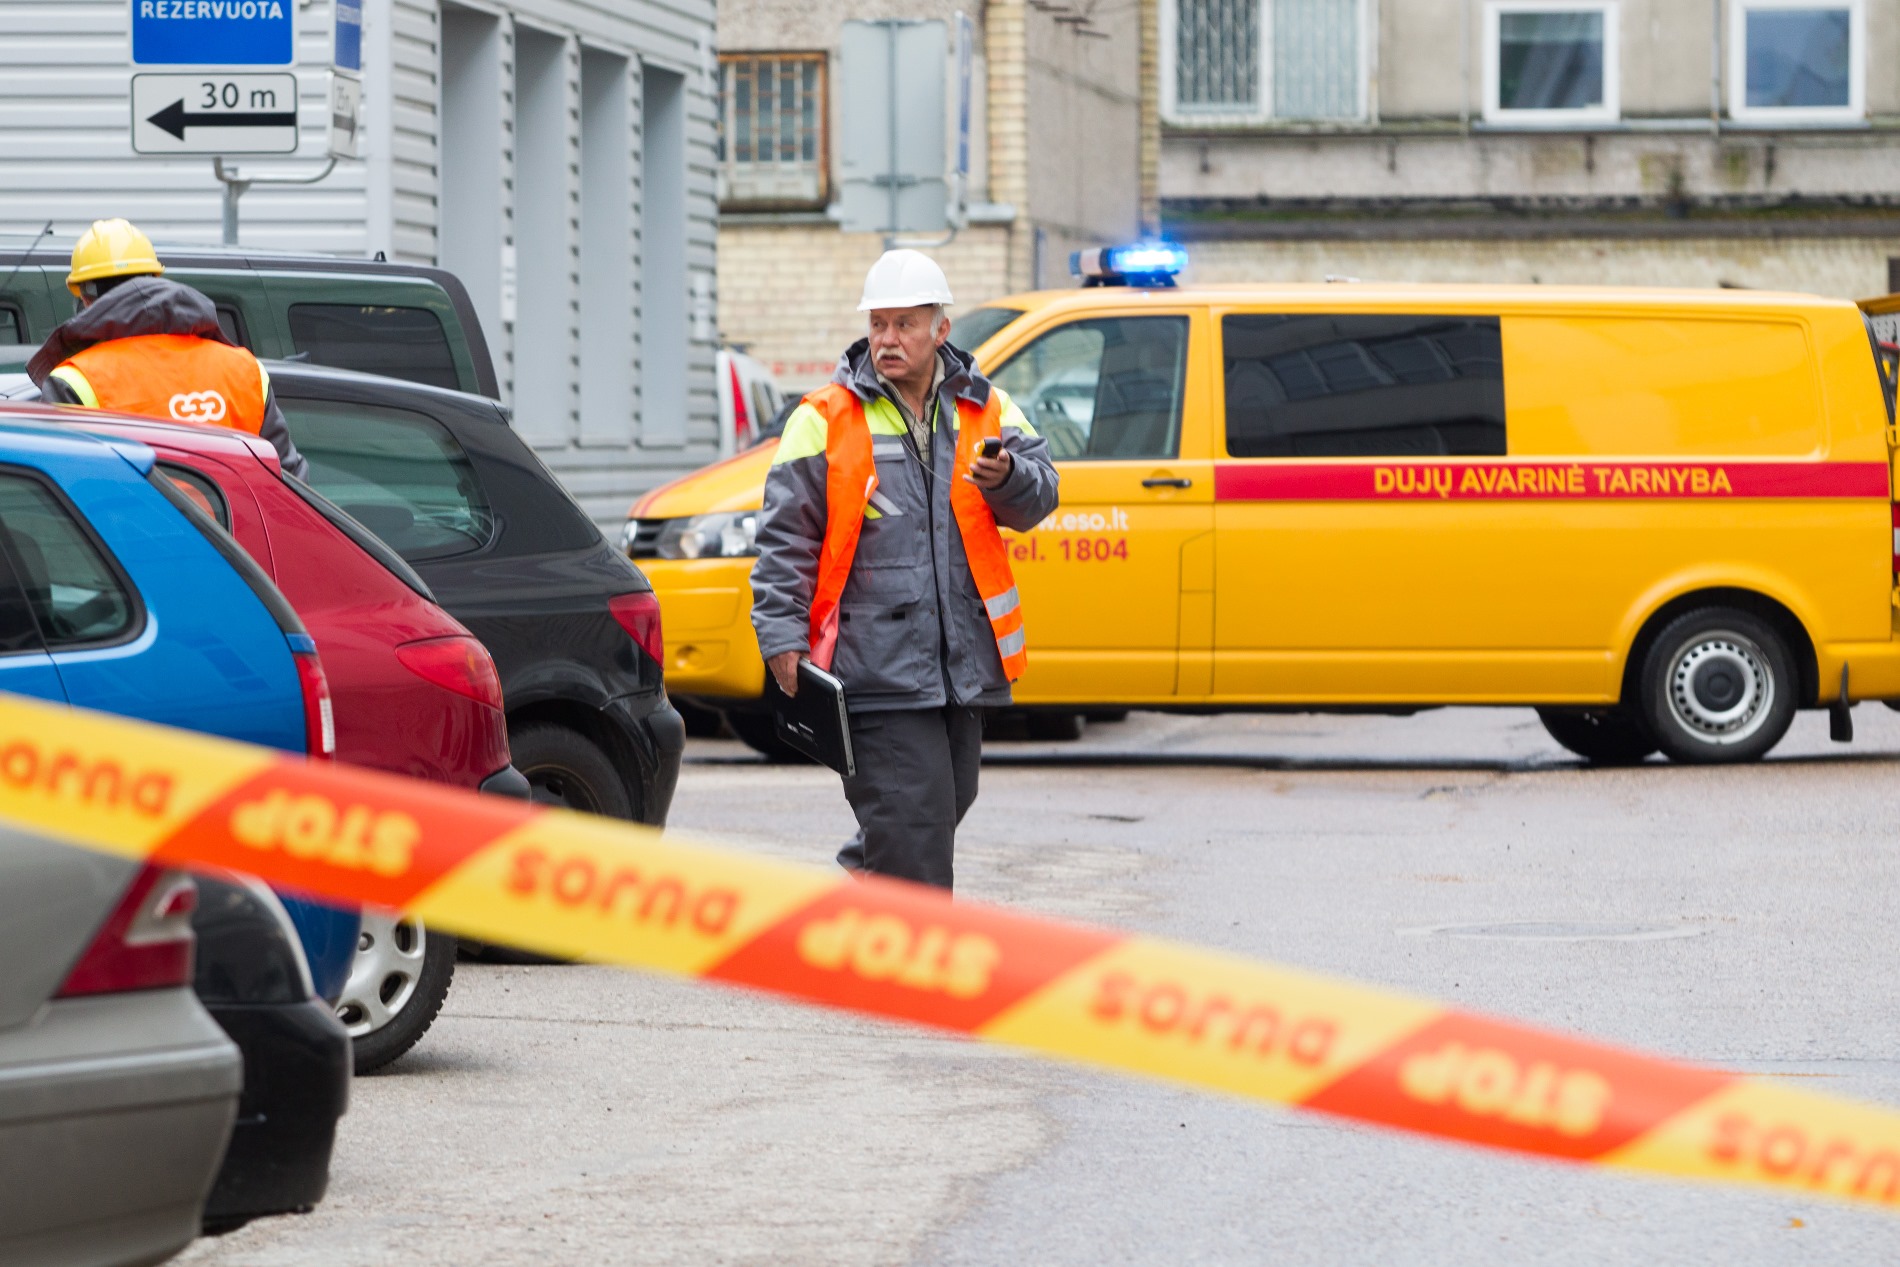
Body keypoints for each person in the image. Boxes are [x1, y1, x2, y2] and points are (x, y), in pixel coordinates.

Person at [750, 249, 1059, 891]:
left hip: (962, 665)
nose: (888, 339)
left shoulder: (987, 408)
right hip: (874, 665)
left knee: (939, 808)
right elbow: (785, 538)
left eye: (904, 325)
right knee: (914, 828)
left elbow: (1041, 497)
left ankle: (854, 913)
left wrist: (1010, 479)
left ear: (940, 330)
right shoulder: (825, 417)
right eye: (878, 324)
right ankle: (914, 976)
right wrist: (781, 639)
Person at [26, 218, 309, 478]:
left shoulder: (76, 380)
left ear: (84, 297)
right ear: (155, 280)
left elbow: (66, 488)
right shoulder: (245, 370)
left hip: (131, 534)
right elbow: (287, 479)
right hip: (237, 533)